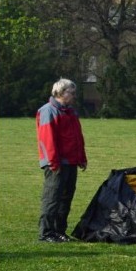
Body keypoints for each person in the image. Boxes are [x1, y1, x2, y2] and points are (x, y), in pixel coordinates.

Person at [36, 78, 88, 243]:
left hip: (71, 162)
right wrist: (52, 162)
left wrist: (81, 158)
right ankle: (46, 233)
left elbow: (77, 137)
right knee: (52, 198)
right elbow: (47, 139)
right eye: (70, 92)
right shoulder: (48, 111)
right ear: (59, 92)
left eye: (74, 92)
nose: (73, 95)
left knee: (66, 198)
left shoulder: (71, 112)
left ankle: (59, 231)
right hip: (56, 164)